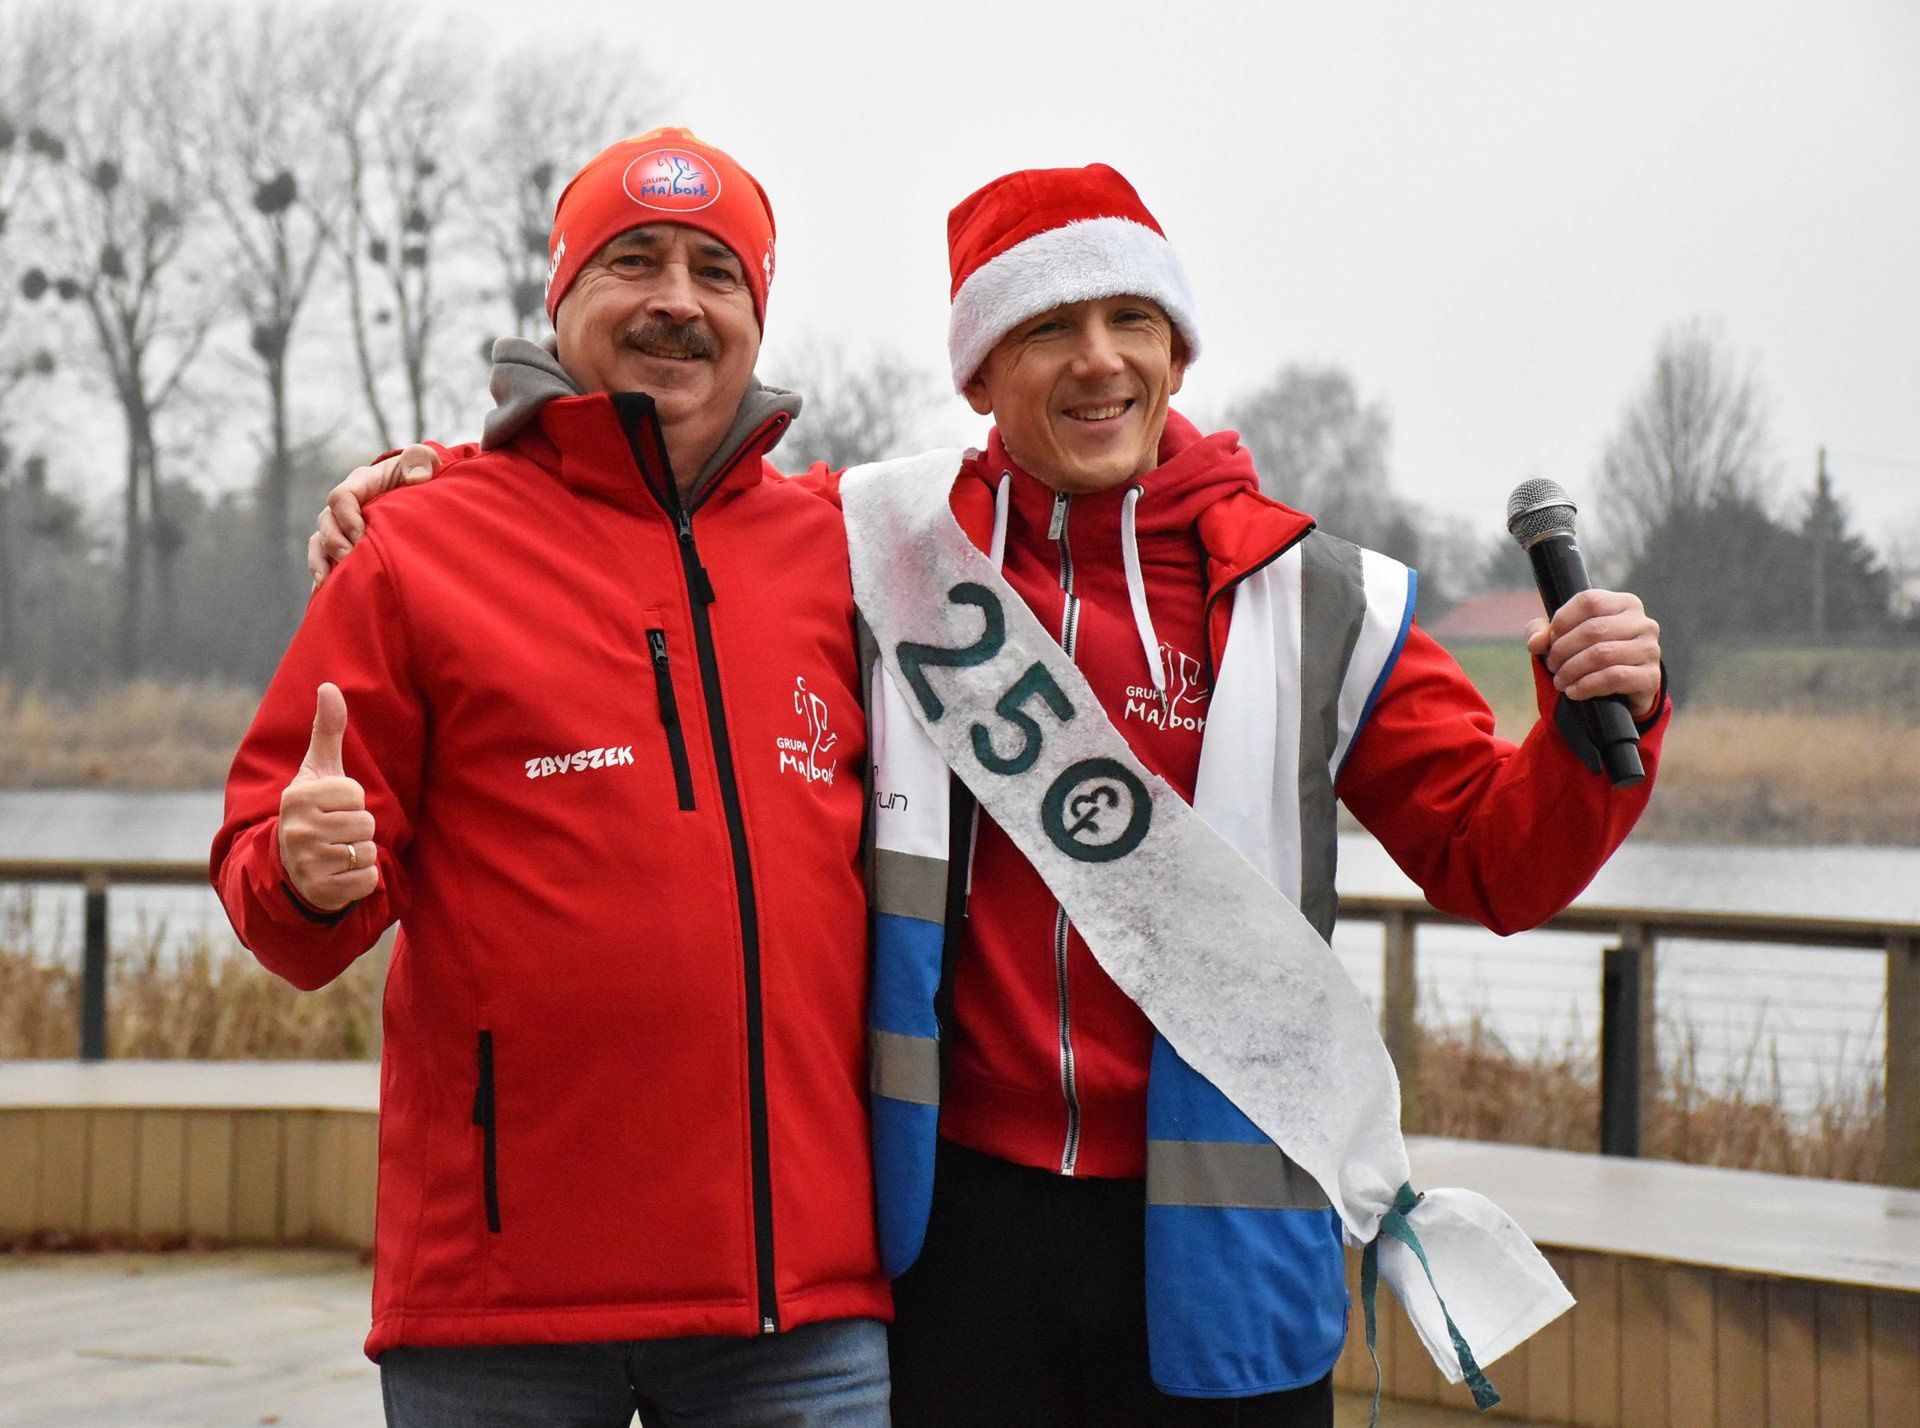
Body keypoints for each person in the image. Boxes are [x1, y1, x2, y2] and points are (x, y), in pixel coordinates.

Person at [313, 165, 1666, 1426]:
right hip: (950, 1234)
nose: (1098, 360)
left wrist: (1593, 730)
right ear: (980, 374)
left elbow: (1500, 866)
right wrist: (437, 485)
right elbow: (652, 492)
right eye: (1047, 328)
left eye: (1132, 318)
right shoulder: (878, 549)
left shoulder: (1312, 595)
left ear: (1177, 355)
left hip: (1223, 1242)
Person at [213, 128, 890, 1427]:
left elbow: (1065, 485)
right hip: (501, 1311)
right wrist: (300, 872)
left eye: (715, 270)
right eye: (633, 260)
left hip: (793, 1310)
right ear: (561, 296)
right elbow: (279, 905)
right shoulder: (416, 546)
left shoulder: (849, 549)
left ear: (757, 315)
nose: (676, 300)